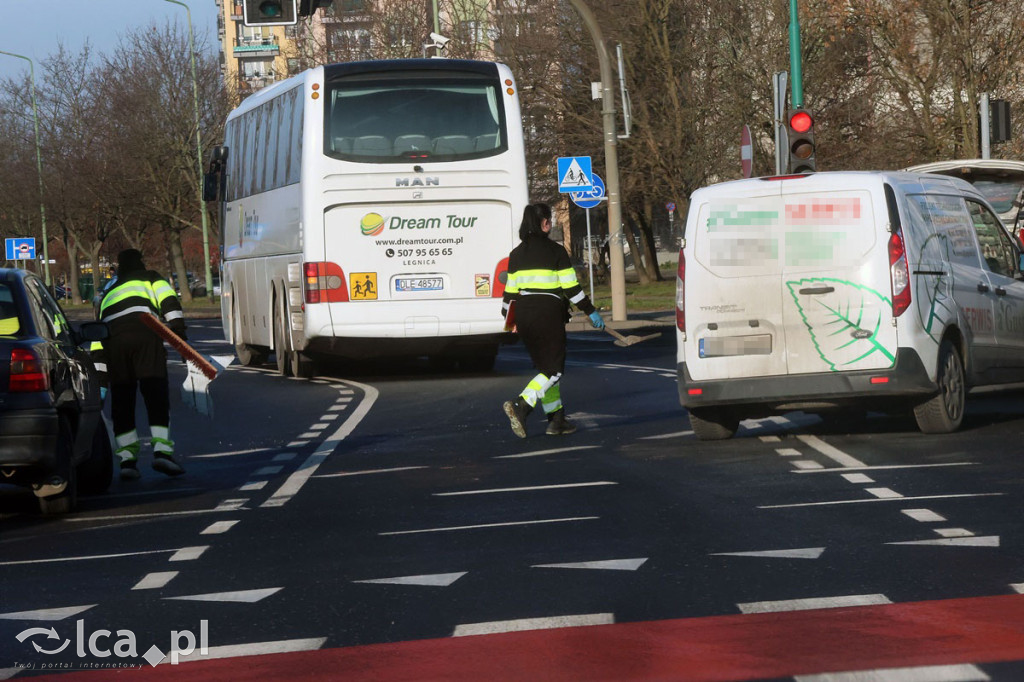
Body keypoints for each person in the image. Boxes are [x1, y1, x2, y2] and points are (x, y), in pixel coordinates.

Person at [501, 203, 604, 437]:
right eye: (550, 220)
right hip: (547, 314)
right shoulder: (556, 252)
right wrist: (590, 311)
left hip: (525, 316)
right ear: (544, 223)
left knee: (545, 370)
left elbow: (508, 297)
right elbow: (571, 289)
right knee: (554, 370)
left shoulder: (516, 254)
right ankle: (522, 405)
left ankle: (556, 420)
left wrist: (511, 322)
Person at [92, 249, 187, 480]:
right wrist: (180, 338)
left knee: (122, 401)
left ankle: (127, 461)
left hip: (114, 342)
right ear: (141, 263)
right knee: (155, 395)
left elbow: (99, 333)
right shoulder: (151, 277)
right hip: (146, 334)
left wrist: (101, 380)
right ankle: (162, 452)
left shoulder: (108, 292)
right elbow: (170, 305)